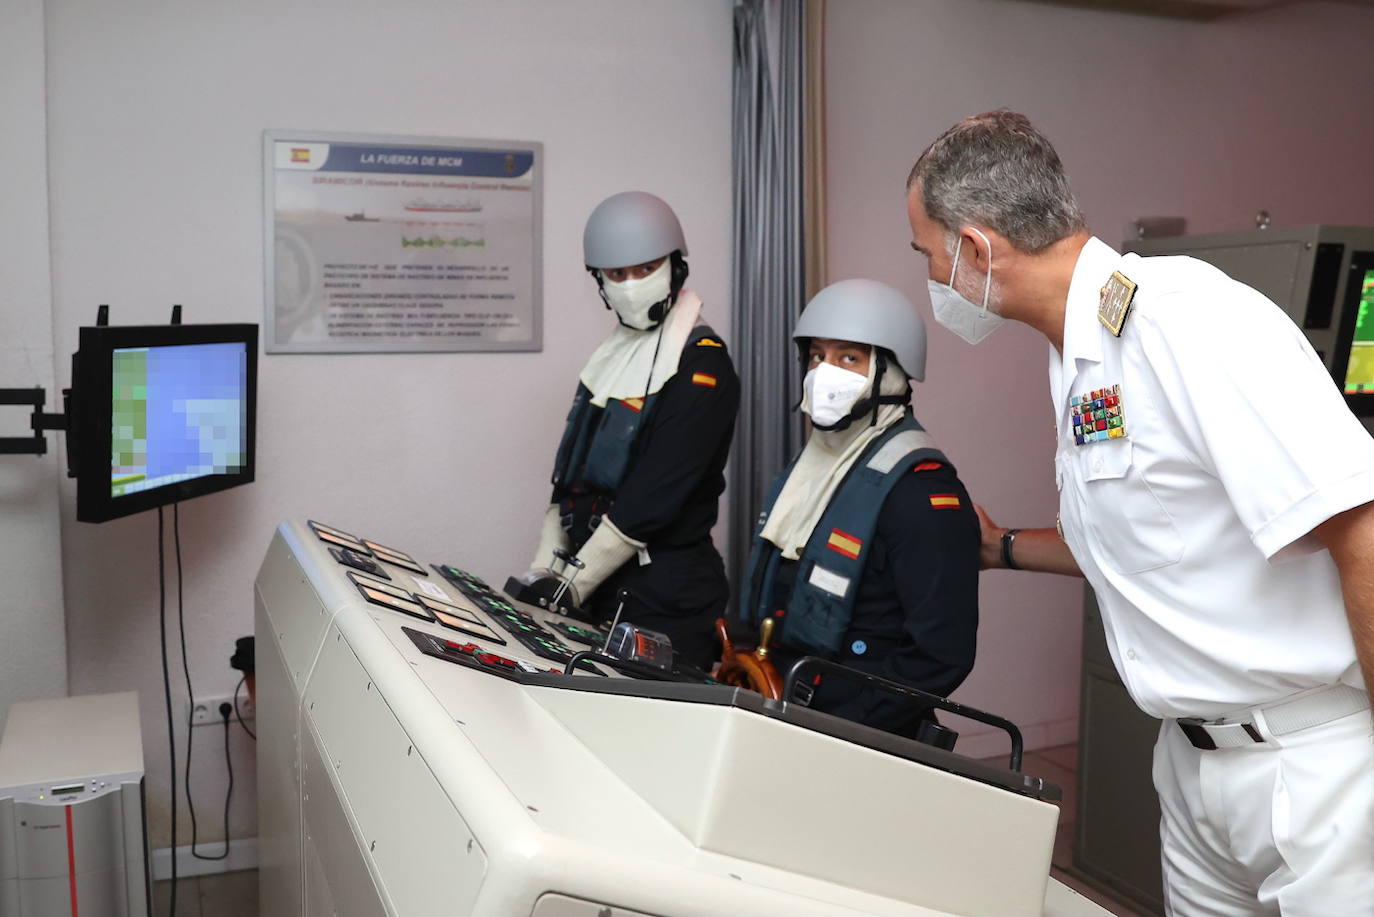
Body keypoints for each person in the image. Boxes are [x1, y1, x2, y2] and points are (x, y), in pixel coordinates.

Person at [905, 110, 1374, 914]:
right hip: (1193, 764)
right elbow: (1150, 540)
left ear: (977, 248)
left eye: (929, 255)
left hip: (1312, 771)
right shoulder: (1082, 353)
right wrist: (1005, 547)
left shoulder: (1183, 323)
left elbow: (1361, 530)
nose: (934, 281)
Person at [740, 279, 979, 738]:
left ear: (891, 372)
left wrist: (849, 729)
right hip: (779, 704)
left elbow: (940, 653)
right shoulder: (809, 467)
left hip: (852, 729)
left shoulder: (922, 493)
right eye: (817, 356)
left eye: (849, 357)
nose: (824, 372)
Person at [522, 191, 739, 671]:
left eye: (645, 268)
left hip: (663, 600)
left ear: (675, 265)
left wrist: (571, 584)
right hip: (599, 592)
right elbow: (570, 478)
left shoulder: (702, 366)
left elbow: (652, 500)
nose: (631, 284)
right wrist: (541, 570)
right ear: (599, 280)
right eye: (616, 274)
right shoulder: (610, 356)